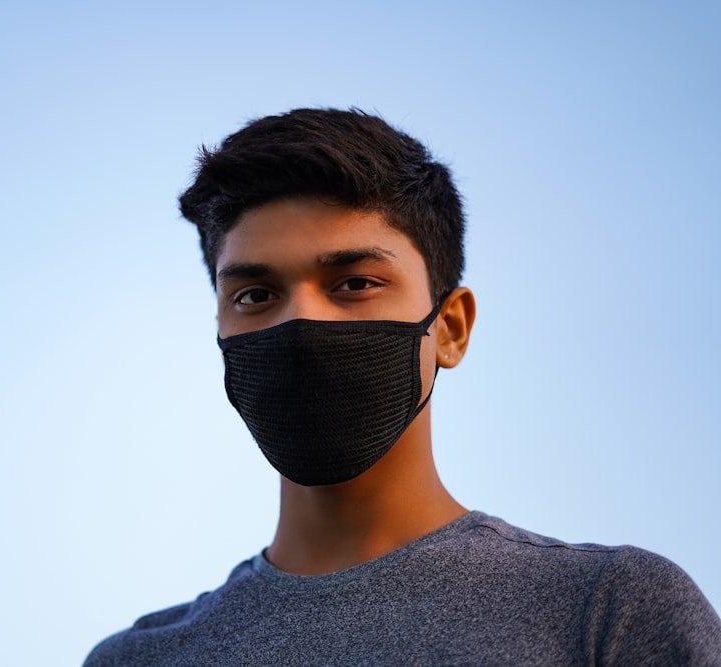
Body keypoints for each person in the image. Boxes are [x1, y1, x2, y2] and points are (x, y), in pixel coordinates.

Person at [84, 108, 721, 665]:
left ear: (450, 327)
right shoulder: (138, 658)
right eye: (255, 294)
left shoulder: (607, 611)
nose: (301, 321)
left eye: (355, 283)